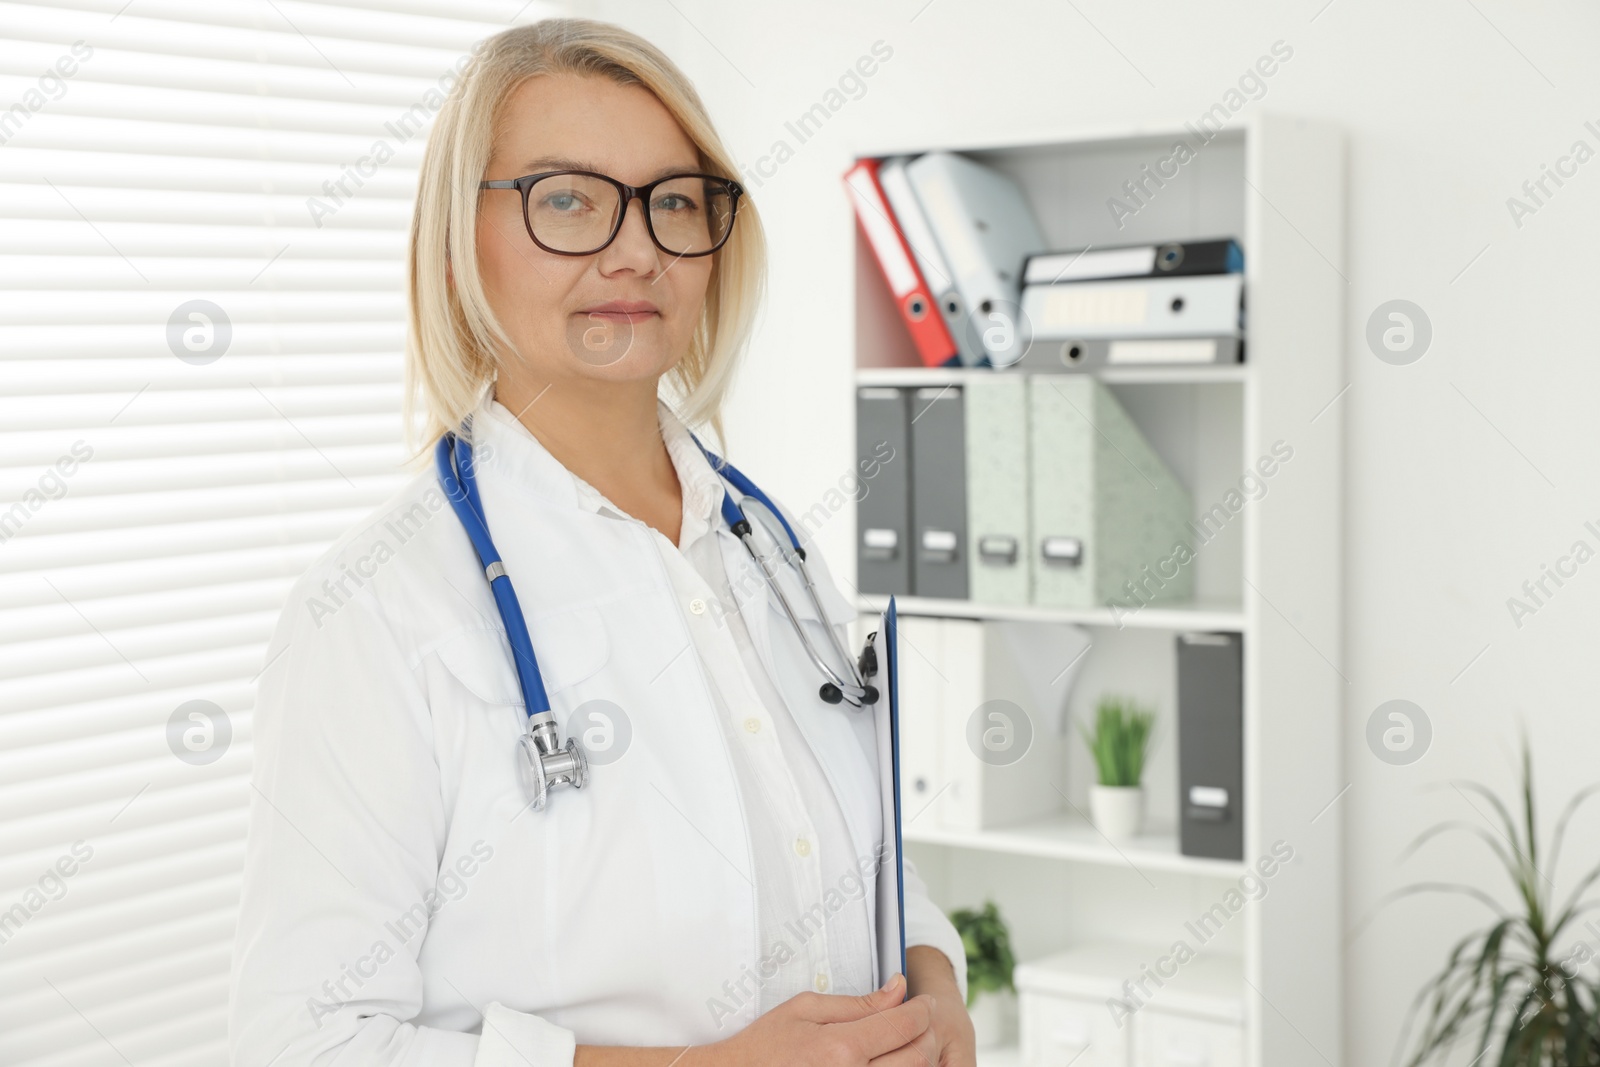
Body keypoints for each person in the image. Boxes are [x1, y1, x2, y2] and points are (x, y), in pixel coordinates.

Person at [228, 17, 975, 1067]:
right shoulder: (373, 608)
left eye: (674, 201)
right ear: (457, 243)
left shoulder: (770, 546)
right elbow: (300, 1041)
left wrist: (934, 982)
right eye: (567, 198)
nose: (637, 248)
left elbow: (864, 867)